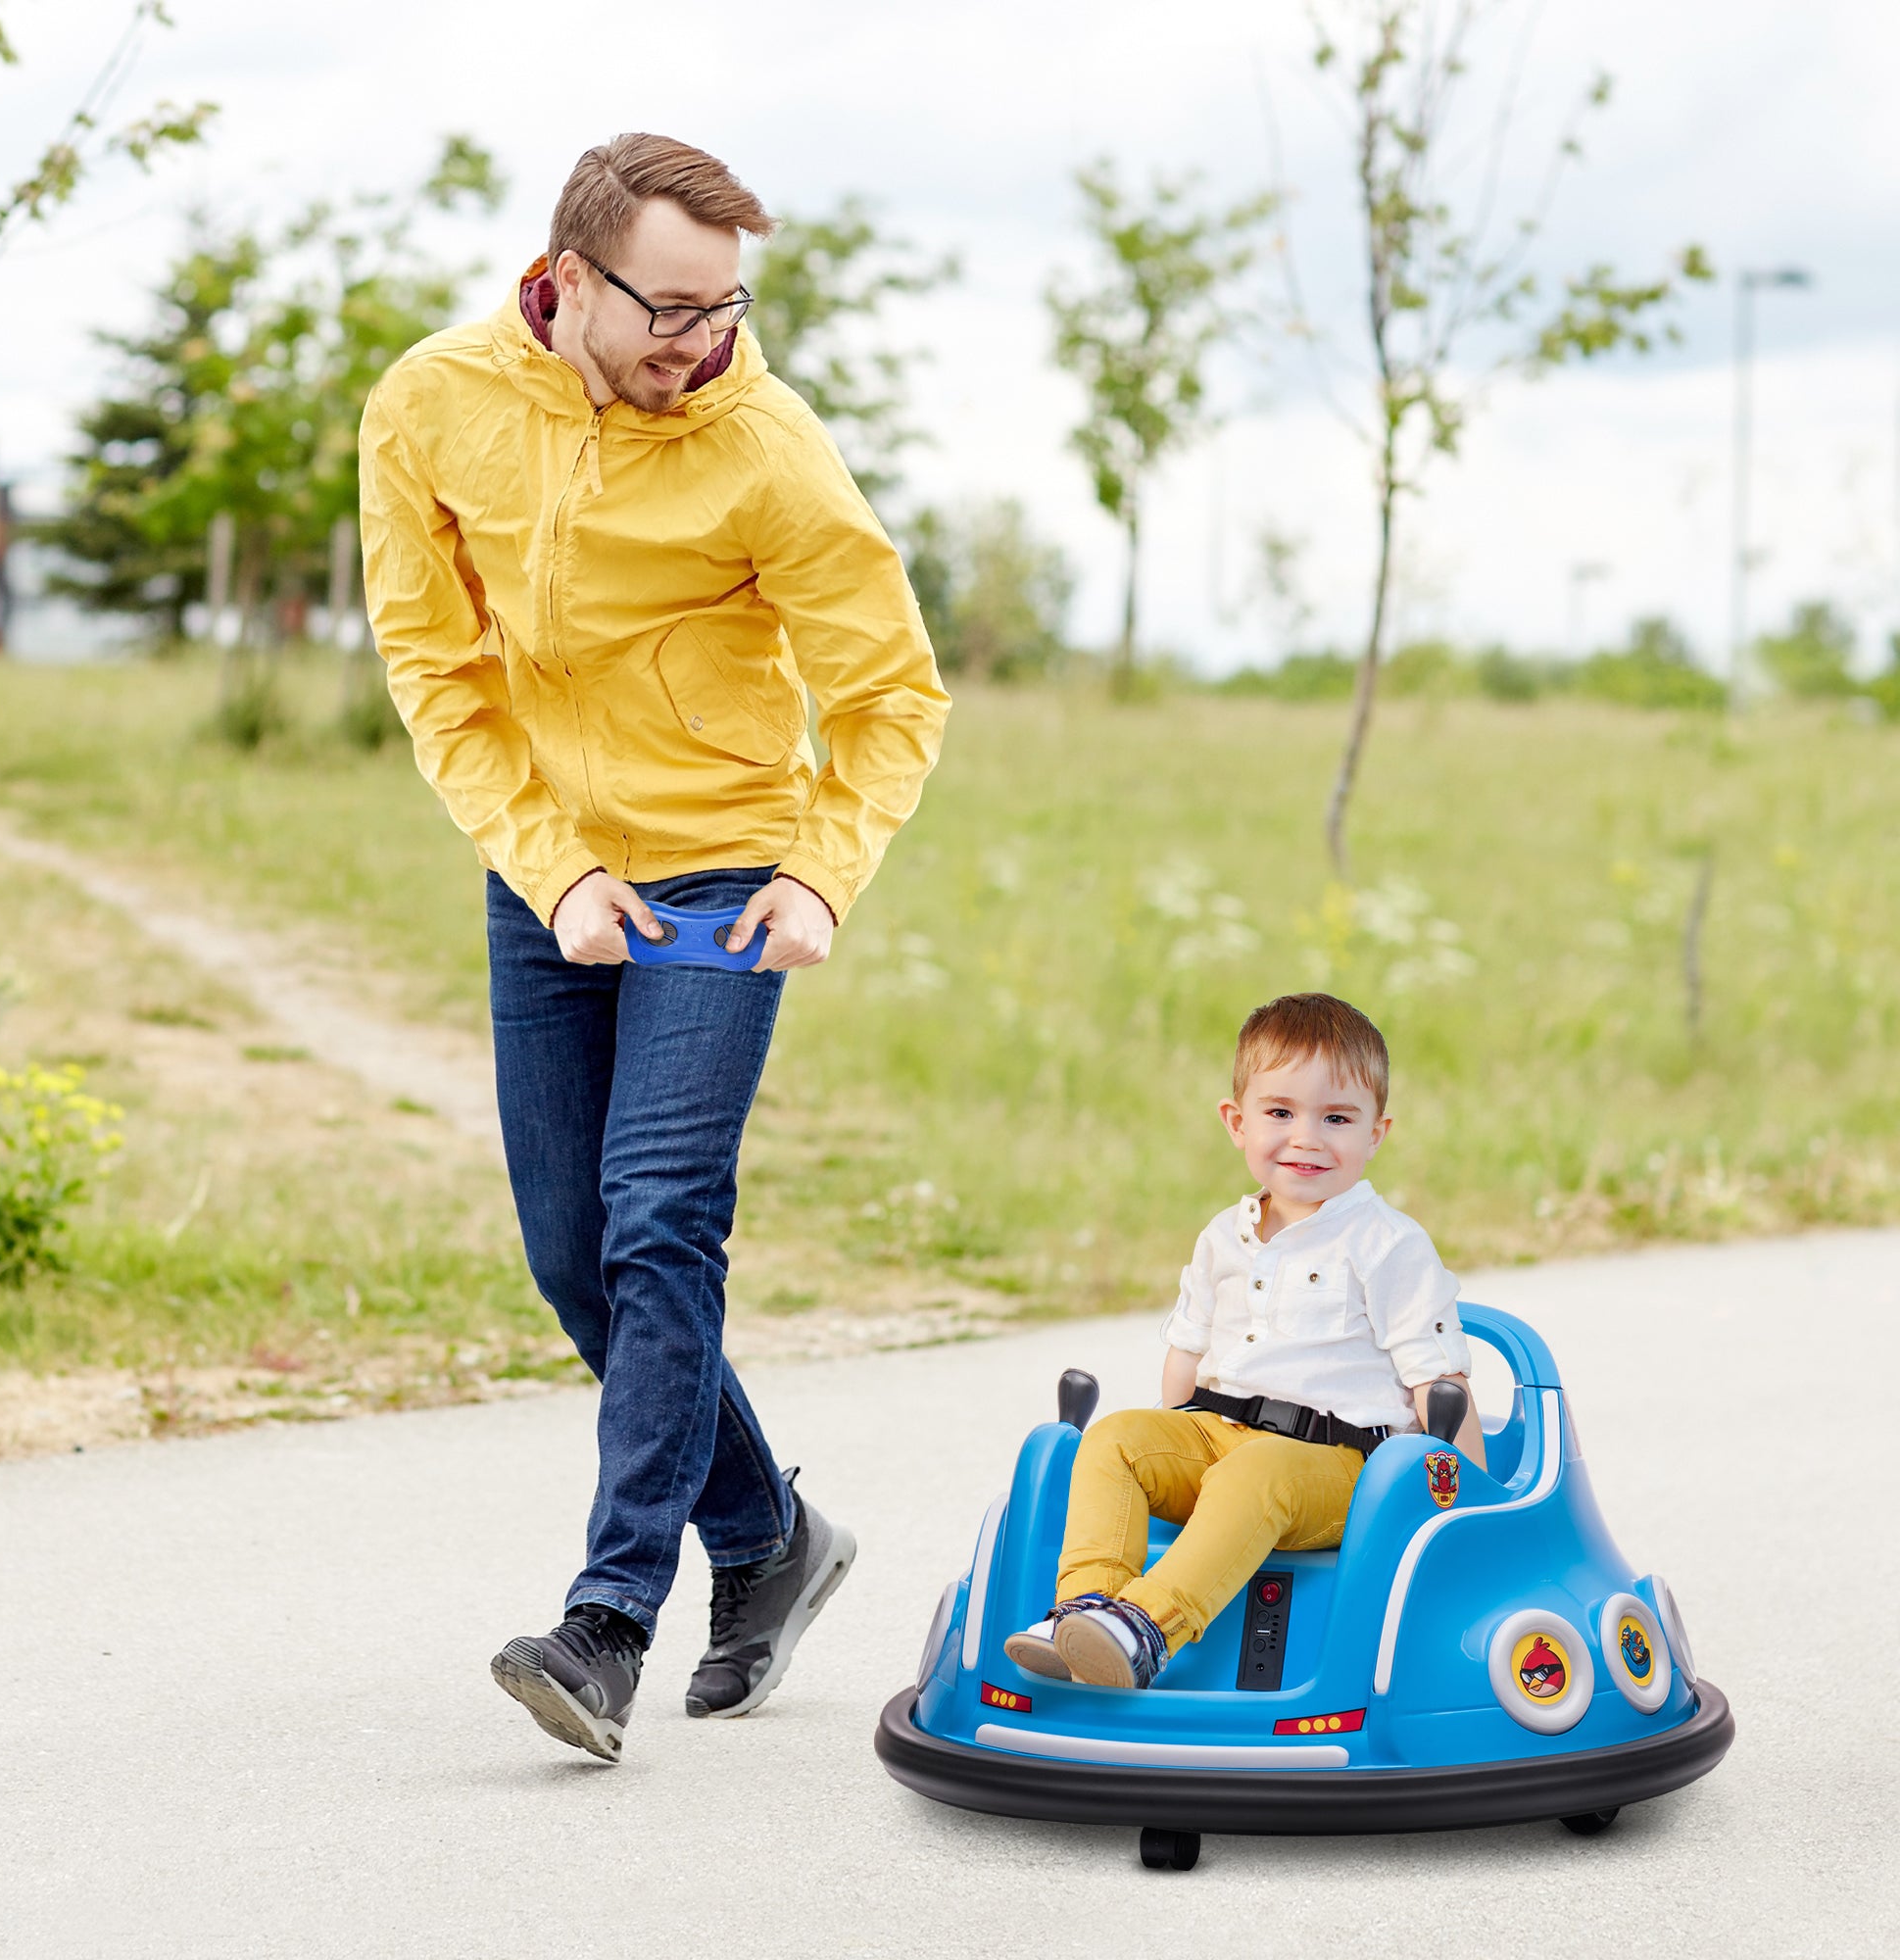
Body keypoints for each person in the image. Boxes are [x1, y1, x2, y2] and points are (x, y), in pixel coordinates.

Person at [358, 133, 949, 1762]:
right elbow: (439, 674)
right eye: (670, 308)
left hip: (725, 877)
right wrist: (552, 876)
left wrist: (823, 875)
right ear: (568, 276)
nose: (705, 340)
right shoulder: (430, 404)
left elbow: (895, 693)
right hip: (550, 872)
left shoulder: (768, 449)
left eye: (726, 305)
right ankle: (769, 1538)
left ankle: (607, 1626)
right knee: (571, 1254)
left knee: (659, 1221)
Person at [1005, 993, 1485, 1689]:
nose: (1308, 1138)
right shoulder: (1222, 1235)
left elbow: (1437, 1380)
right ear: (1238, 1122)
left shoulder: (1388, 1244)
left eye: (1337, 1118)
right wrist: (1170, 1442)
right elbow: (1188, 1354)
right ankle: (1086, 1612)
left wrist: (1461, 1502)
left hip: (1337, 1466)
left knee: (1253, 1474)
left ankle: (1147, 1628)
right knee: (1114, 1438)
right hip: (1219, 1437)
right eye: (1281, 1113)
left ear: (1376, 1133)